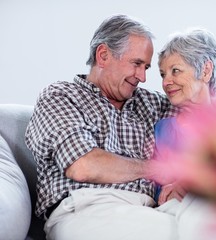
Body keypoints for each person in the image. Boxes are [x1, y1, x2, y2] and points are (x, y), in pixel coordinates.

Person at [25, 14, 179, 240]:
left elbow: (204, 121)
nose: (143, 77)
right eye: (137, 64)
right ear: (104, 55)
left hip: (150, 209)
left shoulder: (151, 103)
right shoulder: (61, 95)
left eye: (146, 67)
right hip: (87, 208)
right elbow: (83, 166)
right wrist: (157, 168)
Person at [152, 28, 216, 240]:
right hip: (185, 213)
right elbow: (162, 189)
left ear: (205, 71)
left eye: (175, 71)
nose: (166, 82)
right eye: (162, 74)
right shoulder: (164, 129)